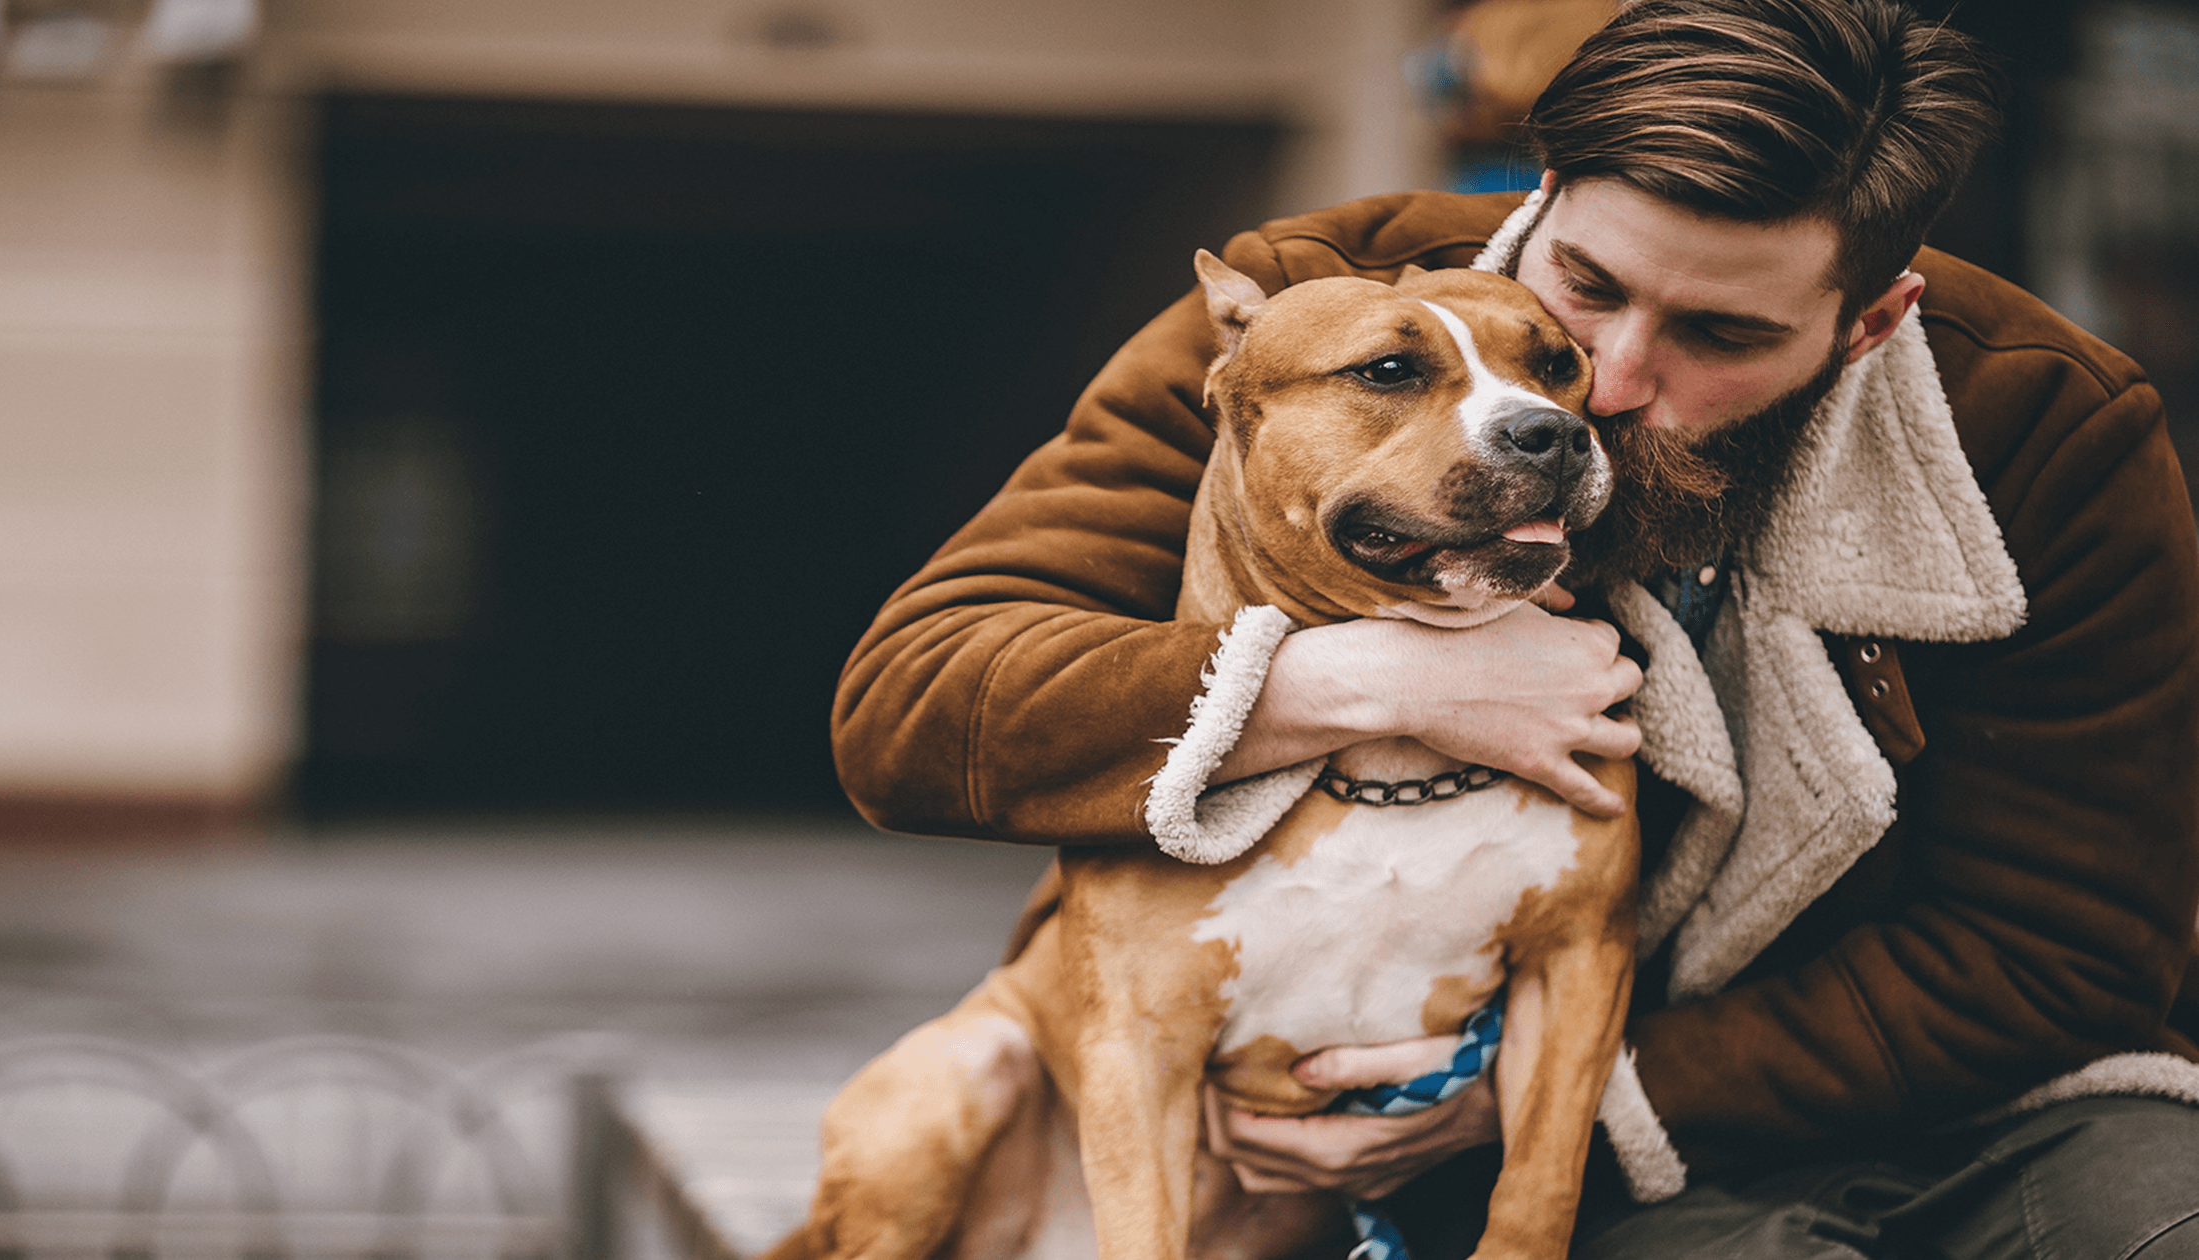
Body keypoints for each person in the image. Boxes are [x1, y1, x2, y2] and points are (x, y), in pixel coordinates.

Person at [828, 0, 2199, 1254]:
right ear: (1536, 198)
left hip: (1826, 1091)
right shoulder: (1316, 304)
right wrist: (1343, 681)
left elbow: (2059, 951)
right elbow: (918, 701)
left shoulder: (2045, 431)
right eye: (1585, 288)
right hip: (1348, 1112)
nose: (1601, 386)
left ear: (1868, 322)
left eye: (1718, 334)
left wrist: (1520, 1096)